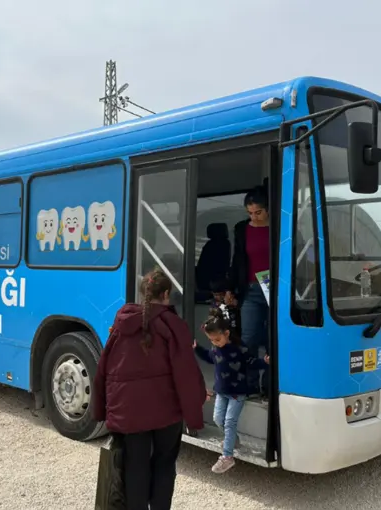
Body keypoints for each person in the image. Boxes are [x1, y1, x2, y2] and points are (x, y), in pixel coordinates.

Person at [93, 269, 206, 510]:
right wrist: (195, 409)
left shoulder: (122, 324)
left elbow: (104, 368)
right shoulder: (174, 325)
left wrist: (101, 410)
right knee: (164, 464)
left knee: (135, 466)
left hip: (130, 413)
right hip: (167, 413)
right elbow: (186, 373)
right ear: (166, 293)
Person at [194, 308, 269, 474]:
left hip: (237, 392)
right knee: (218, 418)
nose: (215, 343)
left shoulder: (239, 348)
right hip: (221, 391)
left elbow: (251, 362)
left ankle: (227, 456)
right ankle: (233, 442)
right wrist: (197, 348)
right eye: (211, 340)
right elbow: (209, 357)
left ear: (227, 333)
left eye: (217, 339)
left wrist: (264, 362)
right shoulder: (215, 349)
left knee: (229, 421)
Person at [226, 183, 271, 396]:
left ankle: (270, 385)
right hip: (251, 290)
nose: (254, 217)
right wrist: (230, 289)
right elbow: (238, 262)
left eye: (258, 212)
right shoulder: (242, 229)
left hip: (276, 290)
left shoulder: (282, 228)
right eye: (250, 213)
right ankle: (251, 384)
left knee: (274, 338)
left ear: (268, 209)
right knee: (249, 338)